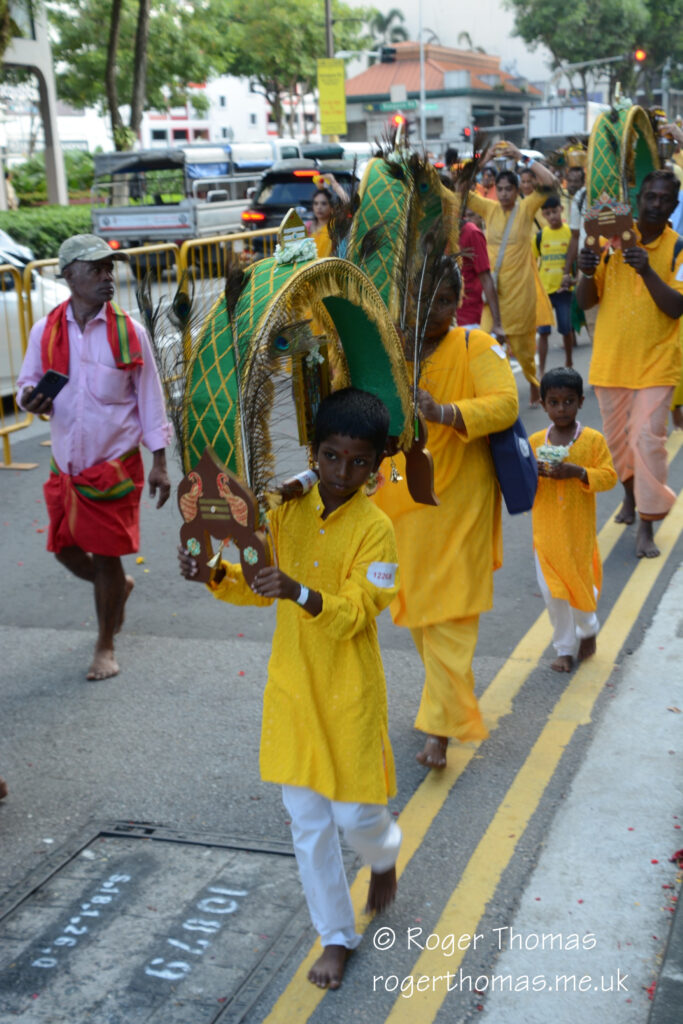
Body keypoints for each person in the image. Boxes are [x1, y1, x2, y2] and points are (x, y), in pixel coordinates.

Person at [179, 388, 402, 990]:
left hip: (350, 693)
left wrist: (299, 590)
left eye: (358, 463)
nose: (341, 473)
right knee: (308, 825)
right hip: (294, 691)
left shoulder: (378, 531)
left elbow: (358, 612)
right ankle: (335, 934)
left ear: (376, 465)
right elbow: (258, 582)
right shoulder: (285, 510)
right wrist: (216, 571)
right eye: (330, 457)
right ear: (314, 450)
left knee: (358, 816)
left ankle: (383, 853)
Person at [373, 259, 518, 769]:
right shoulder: (394, 349)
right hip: (401, 501)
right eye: (420, 298)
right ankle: (444, 702)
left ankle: (440, 728)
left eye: (442, 300)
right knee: (424, 614)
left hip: (461, 503)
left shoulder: (474, 345)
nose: (430, 309)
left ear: (458, 302)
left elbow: (506, 405)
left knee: (451, 614)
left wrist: (444, 413)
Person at [17, 234, 171, 681]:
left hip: (113, 467)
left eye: (111, 268)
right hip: (65, 467)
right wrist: (31, 400)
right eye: (96, 268)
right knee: (64, 551)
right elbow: (28, 383)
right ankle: (116, 589)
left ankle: (105, 644)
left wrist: (160, 462)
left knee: (106, 556)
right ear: (69, 276)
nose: (108, 277)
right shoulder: (45, 330)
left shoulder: (130, 333)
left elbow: (151, 401)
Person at [576, 170, 683, 558]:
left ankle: (647, 524)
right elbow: (586, 301)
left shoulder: (678, 248)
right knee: (619, 447)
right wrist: (587, 270)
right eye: (650, 197)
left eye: (664, 199)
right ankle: (629, 497)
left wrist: (646, 269)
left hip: (657, 365)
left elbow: (676, 308)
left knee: (647, 442)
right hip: (611, 364)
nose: (655, 204)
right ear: (638, 199)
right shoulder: (613, 240)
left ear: (673, 205)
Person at [530, 368, 617, 673]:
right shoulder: (534, 443)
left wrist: (579, 472)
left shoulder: (592, 441)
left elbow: (608, 477)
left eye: (568, 401)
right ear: (543, 405)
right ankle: (565, 649)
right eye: (554, 402)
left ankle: (587, 627)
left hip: (578, 535)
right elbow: (521, 485)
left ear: (580, 402)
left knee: (580, 589)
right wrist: (534, 472)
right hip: (546, 535)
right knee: (553, 594)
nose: (561, 408)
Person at [466, 143, 559, 404]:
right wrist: (482, 159)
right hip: (492, 293)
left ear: (517, 191)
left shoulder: (527, 207)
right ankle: (495, 393)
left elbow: (550, 181)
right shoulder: (489, 208)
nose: (505, 193)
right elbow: (461, 190)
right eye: (501, 189)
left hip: (520, 294)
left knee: (524, 353)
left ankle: (533, 384)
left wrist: (521, 157)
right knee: (482, 341)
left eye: (510, 189)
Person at [534, 194, 574, 377]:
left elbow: (577, 259)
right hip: (545, 291)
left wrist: (574, 279)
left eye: (554, 212)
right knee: (543, 333)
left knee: (566, 329)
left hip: (564, 291)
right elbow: (533, 262)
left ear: (561, 210)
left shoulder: (571, 233)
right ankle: (541, 369)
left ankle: (569, 361)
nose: (552, 216)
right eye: (547, 213)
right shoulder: (540, 237)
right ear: (543, 215)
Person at [457, 208, 505, 337]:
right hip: (441, 317)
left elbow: (485, 278)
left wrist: (497, 324)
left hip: (468, 317)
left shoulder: (472, 233)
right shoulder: (434, 231)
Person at [306, 174, 348, 257]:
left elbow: (347, 202)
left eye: (324, 203)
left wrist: (333, 182)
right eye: (316, 203)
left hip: (329, 268)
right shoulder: (308, 226)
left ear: (331, 207)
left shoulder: (334, 225)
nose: (319, 207)